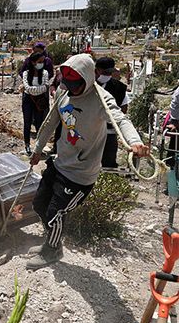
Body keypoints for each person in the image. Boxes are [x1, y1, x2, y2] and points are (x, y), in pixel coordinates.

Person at [26, 54, 150, 270]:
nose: (72, 88)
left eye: (77, 84)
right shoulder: (64, 92)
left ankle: (52, 251)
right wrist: (37, 150)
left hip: (80, 173)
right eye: (69, 83)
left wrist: (135, 142)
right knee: (39, 204)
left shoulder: (101, 99)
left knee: (56, 213)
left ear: (87, 78)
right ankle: (51, 241)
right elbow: (49, 123)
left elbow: (121, 119)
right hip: (60, 162)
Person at [95, 57, 129, 168]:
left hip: (110, 132)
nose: (107, 75)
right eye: (104, 72)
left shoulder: (119, 87)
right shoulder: (89, 86)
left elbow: (123, 108)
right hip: (90, 132)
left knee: (108, 162)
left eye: (109, 72)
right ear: (97, 70)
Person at [21, 52, 52, 156]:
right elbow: (28, 88)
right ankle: (27, 145)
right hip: (28, 100)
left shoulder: (45, 73)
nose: (41, 64)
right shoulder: (26, 73)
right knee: (27, 122)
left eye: (42, 61)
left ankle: (38, 147)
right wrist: (39, 89)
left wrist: (34, 90)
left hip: (39, 101)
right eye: (39, 61)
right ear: (33, 62)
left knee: (39, 123)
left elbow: (46, 86)